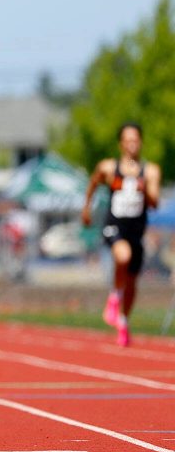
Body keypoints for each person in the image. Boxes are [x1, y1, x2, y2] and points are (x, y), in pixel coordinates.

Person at [82, 122, 161, 346]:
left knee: (132, 281)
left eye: (135, 139)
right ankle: (114, 296)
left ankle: (123, 321)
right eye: (127, 140)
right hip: (113, 225)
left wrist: (145, 189)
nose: (131, 144)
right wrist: (86, 208)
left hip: (136, 230)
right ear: (121, 143)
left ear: (141, 142)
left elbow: (154, 203)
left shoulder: (150, 171)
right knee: (122, 256)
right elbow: (93, 183)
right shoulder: (108, 168)